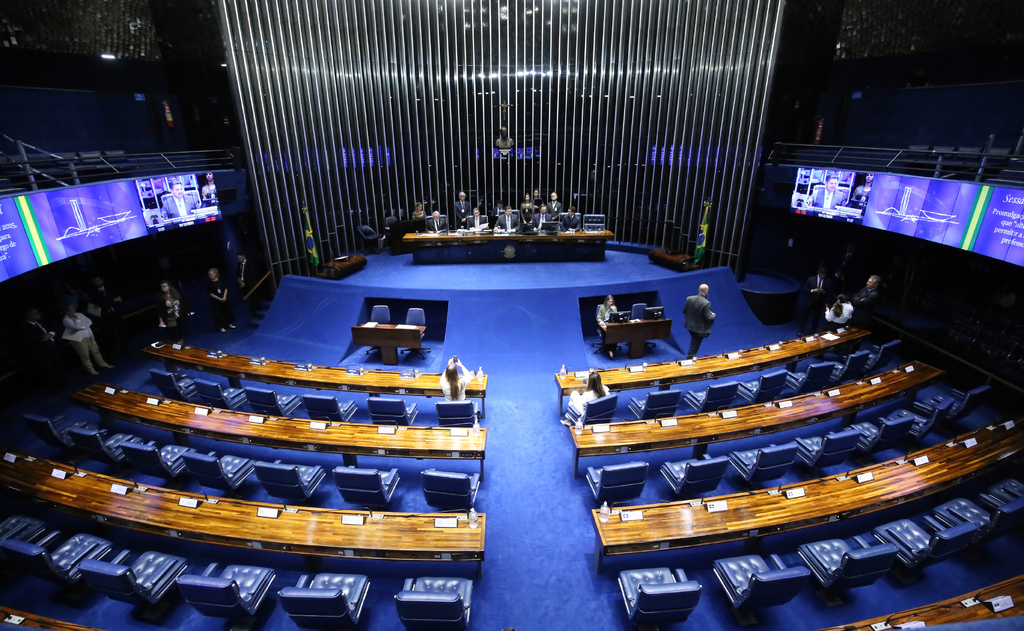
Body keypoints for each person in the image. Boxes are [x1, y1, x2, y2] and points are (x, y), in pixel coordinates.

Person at [18, 307, 67, 393]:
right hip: (40, 352)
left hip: (51, 347)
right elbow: (29, 341)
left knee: (58, 364)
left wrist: (51, 334)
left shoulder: (40, 322)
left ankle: (62, 382)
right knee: (48, 371)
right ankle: (53, 389)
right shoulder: (25, 328)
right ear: (30, 315)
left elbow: (49, 330)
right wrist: (42, 339)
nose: (39, 314)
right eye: (36, 313)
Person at [61, 304, 112, 375]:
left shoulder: (80, 314)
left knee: (96, 351)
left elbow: (89, 321)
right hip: (79, 339)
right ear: (66, 311)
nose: (73, 309)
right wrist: (77, 319)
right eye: (70, 308)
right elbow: (76, 327)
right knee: (84, 355)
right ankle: (91, 370)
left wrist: (83, 326)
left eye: (73, 307)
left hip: (89, 335)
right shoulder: (66, 320)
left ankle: (102, 364)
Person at [89, 275, 129, 357]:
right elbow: (97, 305)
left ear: (102, 281)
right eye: (95, 281)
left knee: (121, 334)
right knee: (108, 338)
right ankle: (110, 355)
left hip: (115, 315)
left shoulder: (110, 289)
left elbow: (119, 299)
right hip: (104, 318)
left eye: (99, 280)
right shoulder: (92, 294)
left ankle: (126, 351)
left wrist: (109, 303)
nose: (98, 282)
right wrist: (113, 300)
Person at [797, 266, 834, 336]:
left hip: (820, 302)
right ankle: (801, 331)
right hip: (810, 301)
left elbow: (830, 292)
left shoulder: (828, 281)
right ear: (818, 273)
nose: (823, 276)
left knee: (816, 318)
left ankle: (813, 331)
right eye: (821, 274)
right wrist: (812, 290)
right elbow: (804, 289)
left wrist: (824, 292)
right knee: (805, 317)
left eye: (824, 274)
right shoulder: (811, 279)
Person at [683, 283, 716, 359]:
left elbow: (685, 311)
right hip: (699, 329)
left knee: (694, 343)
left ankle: (690, 359)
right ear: (706, 291)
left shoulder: (689, 299)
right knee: (694, 346)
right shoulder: (706, 303)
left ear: (699, 290)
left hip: (690, 326)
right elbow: (708, 317)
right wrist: (713, 315)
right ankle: (689, 361)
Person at [207, 268, 235, 332]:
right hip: (216, 301)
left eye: (211, 274)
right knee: (218, 314)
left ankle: (229, 323)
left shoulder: (221, 280)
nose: (210, 276)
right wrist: (219, 299)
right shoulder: (209, 283)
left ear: (215, 274)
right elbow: (210, 293)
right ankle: (221, 326)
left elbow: (225, 288)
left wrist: (224, 297)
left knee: (227, 311)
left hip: (224, 299)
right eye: (209, 275)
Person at [237, 252, 261, 317]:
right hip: (244, 285)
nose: (239, 259)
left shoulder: (250, 263)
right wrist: (240, 281)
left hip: (251, 283)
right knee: (249, 299)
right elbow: (237, 274)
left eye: (240, 258)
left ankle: (257, 310)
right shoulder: (238, 265)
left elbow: (252, 274)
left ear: (244, 257)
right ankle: (252, 311)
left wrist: (244, 281)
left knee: (254, 297)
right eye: (238, 258)